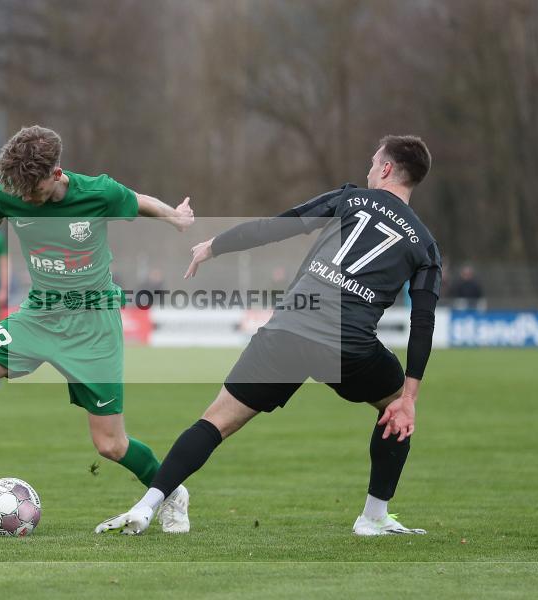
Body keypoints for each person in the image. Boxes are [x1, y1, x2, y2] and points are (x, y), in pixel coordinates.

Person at [96, 135, 441, 537]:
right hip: (349, 348)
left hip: (288, 331)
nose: (368, 169)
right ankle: (374, 517)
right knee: (395, 410)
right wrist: (410, 400)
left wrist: (216, 245)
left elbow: (278, 226)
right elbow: (423, 323)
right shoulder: (426, 246)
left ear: (385, 169)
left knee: (215, 422)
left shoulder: (351, 198)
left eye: (373, 162)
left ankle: (146, 505)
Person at [0, 125, 196, 533]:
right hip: (39, 314)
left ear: (56, 174)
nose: (24, 199)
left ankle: (171, 491)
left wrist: (173, 216)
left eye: (33, 192)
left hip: (92, 324)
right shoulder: (14, 191)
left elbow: (139, 202)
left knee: (110, 445)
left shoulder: (98, 193)